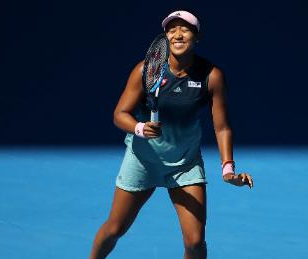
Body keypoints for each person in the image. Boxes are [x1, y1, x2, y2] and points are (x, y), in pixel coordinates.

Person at [89, 10, 254, 259]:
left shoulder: (212, 76)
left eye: (185, 29)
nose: (177, 34)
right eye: (171, 29)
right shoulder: (145, 70)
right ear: (165, 36)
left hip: (184, 164)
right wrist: (140, 128)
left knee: (195, 243)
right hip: (142, 161)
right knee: (114, 229)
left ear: (196, 37)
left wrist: (228, 168)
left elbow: (222, 127)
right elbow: (119, 114)